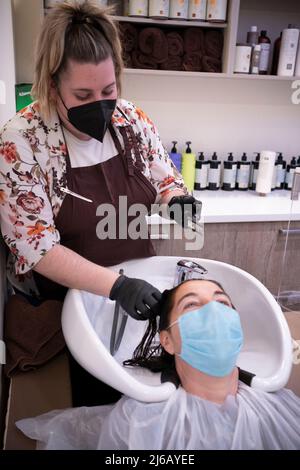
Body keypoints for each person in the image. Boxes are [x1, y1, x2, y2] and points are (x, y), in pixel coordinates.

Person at [0, 0, 200, 406]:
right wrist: (116, 286)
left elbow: (165, 179)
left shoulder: (130, 120)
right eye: (83, 94)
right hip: (69, 310)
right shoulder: (21, 142)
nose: (102, 104)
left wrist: (177, 200)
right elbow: (37, 249)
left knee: (149, 400)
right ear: (52, 85)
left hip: (140, 296)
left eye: (109, 90)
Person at [16, 279, 300, 450]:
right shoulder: (139, 422)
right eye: (192, 305)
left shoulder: (283, 407)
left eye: (222, 303)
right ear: (167, 341)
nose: (213, 311)